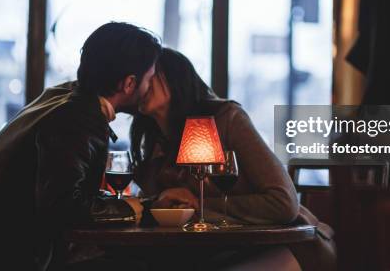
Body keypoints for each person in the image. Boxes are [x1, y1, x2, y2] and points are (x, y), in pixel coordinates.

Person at [0, 22, 161, 270]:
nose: (150, 88)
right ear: (128, 83)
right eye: (149, 79)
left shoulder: (63, 97)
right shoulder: (77, 118)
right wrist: (129, 208)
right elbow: (62, 207)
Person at [131, 48, 337, 270]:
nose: (143, 83)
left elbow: (284, 203)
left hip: (290, 246)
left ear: (175, 78)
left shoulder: (227, 119)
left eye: (151, 75)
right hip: (220, 252)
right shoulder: (155, 141)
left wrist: (197, 206)